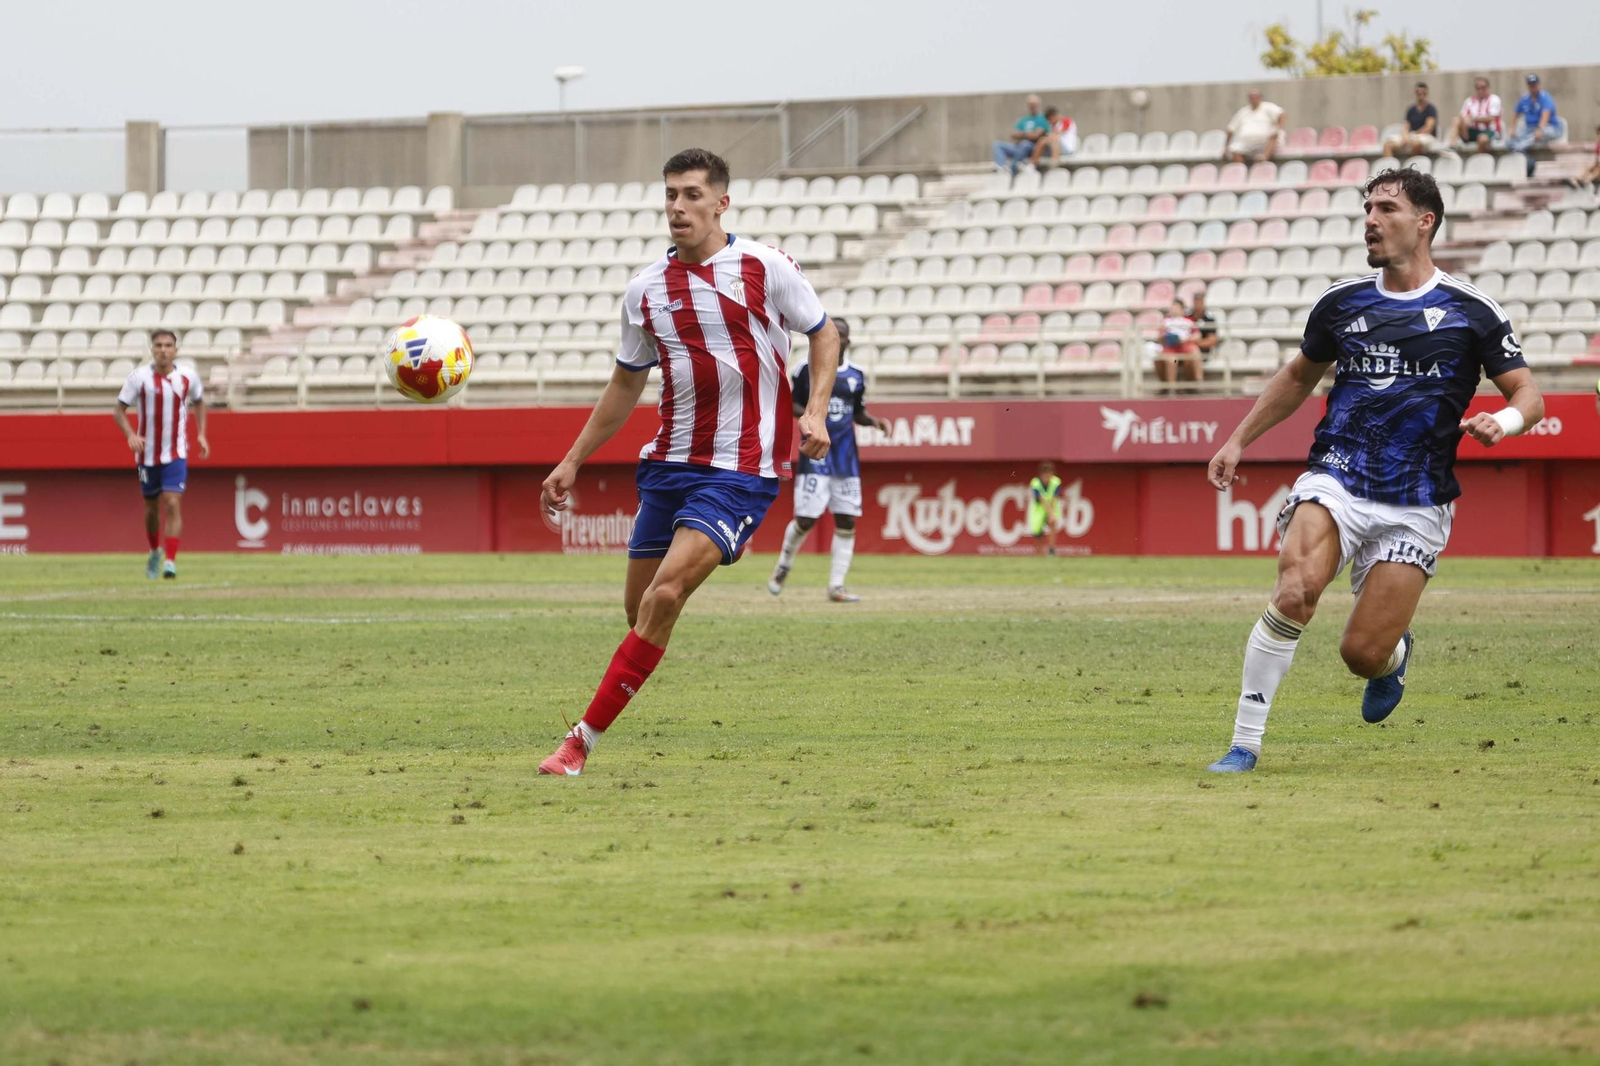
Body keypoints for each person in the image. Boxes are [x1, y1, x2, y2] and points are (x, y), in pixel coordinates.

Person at [1203, 167, 1544, 774]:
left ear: (1424, 221)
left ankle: (1393, 658)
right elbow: (1296, 379)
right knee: (1294, 589)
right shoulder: (1342, 302)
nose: (1371, 220)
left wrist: (1505, 422)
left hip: (1416, 498)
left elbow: (1529, 396)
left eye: (1386, 208)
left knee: (1361, 653)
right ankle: (1244, 744)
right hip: (1339, 473)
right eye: (1367, 208)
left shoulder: (1471, 311)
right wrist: (1237, 440)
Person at [537, 147, 841, 777]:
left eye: (692, 195)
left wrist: (814, 411)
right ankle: (631, 674)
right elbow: (625, 384)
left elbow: (824, 330)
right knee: (640, 610)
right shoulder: (644, 291)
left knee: (666, 594)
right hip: (670, 465)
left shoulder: (763, 265)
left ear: (721, 202)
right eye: (670, 194)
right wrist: (572, 461)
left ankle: (579, 742)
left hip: (741, 470)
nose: (678, 206)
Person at [767, 319, 889, 602]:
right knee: (806, 520)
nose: (840, 340)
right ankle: (784, 564)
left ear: (848, 341)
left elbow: (856, 411)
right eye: (837, 334)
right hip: (816, 455)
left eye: (844, 336)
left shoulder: (856, 374)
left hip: (846, 459)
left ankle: (836, 586)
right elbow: (791, 403)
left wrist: (874, 422)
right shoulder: (805, 368)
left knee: (847, 520)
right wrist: (813, 414)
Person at [111, 329, 209, 580]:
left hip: (176, 451)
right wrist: (130, 435)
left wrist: (201, 434)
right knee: (151, 509)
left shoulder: (188, 377)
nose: (163, 350)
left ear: (176, 350)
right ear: (152, 350)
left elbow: (199, 401)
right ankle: (155, 551)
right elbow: (119, 410)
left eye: (168, 345)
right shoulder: (139, 377)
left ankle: (170, 561)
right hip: (146, 455)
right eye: (158, 345)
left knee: (172, 502)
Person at [1507, 74, 1560, 177]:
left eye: (1535, 85)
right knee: (1509, 141)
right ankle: (1527, 159)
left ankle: (1519, 148)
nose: (1533, 87)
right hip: (1529, 129)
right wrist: (1512, 128)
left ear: (1538, 85)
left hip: (1548, 128)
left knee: (1540, 133)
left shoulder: (1545, 97)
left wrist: (1540, 129)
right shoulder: (1525, 98)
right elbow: (1515, 113)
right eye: (1531, 85)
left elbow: (1546, 114)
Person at [992, 94, 1050, 176]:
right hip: (1018, 147)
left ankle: (1013, 168)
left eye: (1033, 104)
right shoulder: (1023, 120)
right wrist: (1028, 135)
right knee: (998, 144)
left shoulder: (1042, 119)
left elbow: (1036, 136)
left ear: (1037, 105)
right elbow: (1014, 135)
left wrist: (1023, 135)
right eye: (1030, 104)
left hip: (1032, 148)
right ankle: (1001, 168)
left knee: (1025, 144)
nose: (1032, 106)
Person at [1224, 90, 1285, 164]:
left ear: (1261, 98)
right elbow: (1231, 129)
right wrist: (1225, 146)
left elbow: (1282, 115)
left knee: (1274, 134)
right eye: (1252, 97)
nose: (1254, 99)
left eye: (1256, 97)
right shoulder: (1243, 111)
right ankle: (1241, 171)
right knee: (1234, 149)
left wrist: (1278, 128)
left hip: (1265, 140)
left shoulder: (1268, 107)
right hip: (1247, 142)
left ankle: (1264, 158)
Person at [1382, 82, 1438, 158]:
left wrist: (1414, 136)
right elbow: (1406, 127)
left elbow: (1428, 128)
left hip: (1426, 137)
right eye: (1418, 92)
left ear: (1426, 93)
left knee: (1416, 144)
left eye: (1422, 92)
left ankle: (1412, 168)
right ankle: (1389, 168)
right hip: (1411, 136)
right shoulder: (1411, 110)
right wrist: (1406, 137)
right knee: (1387, 145)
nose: (1420, 94)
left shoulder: (1431, 109)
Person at [1155, 298, 1201, 391]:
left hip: (1185, 346)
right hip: (1171, 348)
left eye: (1176, 308)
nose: (1174, 310)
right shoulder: (1166, 322)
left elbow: (1197, 335)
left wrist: (1186, 340)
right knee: (1172, 361)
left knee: (1196, 352)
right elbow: (1159, 337)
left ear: (1182, 309)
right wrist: (1166, 337)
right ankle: (1172, 388)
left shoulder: (1189, 321)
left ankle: (1199, 382)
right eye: (1172, 308)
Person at [1449, 76, 1503, 154]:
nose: (1480, 91)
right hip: (1472, 131)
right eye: (1478, 88)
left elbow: (1491, 118)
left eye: (1483, 88)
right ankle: (1451, 147)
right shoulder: (1469, 101)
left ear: (1488, 88)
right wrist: (1464, 122)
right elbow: (1462, 116)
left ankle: (1479, 161)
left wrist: (1472, 119)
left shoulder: (1494, 99)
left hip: (1489, 131)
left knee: (1482, 139)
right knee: (1456, 120)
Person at [1028, 461, 1063, 556]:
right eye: (1045, 474)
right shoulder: (1035, 483)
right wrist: (1050, 512)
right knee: (1038, 532)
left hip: (1052, 506)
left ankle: (1051, 549)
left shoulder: (1056, 482)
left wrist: (1051, 513)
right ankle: (1040, 552)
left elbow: (1055, 497)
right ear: (1041, 474)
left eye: (1049, 474)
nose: (1047, 477)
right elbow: (1041, 499)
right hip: (1039, 510)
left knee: (1052, 523)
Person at [1564, 124, 1600, 192]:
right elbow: (1596, 160)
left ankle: (1586, 181)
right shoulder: (1598, 146)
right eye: (1598, 135)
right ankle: (1575, 180)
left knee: (1597, 170)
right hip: (1597, 166)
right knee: (1588, 167)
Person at [1189, 289, 1219, 359]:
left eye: (1200, 301)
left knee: (1193, 358)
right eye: (1196, 301)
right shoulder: (1187, 317)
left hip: (1202, 351)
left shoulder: (1209, 319)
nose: (1198, 304)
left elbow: (1212, 340)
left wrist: (1195, 345)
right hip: (1187, 350)